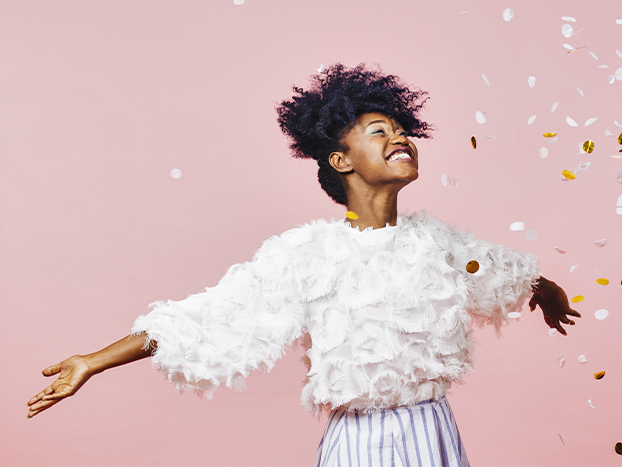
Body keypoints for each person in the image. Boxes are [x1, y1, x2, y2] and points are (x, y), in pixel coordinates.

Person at [27, 63, 580, 466]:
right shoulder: (307, 255)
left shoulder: (439, 243)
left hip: (435, 433)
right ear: (342, 161)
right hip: (362, 443)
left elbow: (504, 271)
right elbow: (213, 315)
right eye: (378, 131)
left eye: (401, 129)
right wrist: (94, 361)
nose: (400, 137)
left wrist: (545, 289)